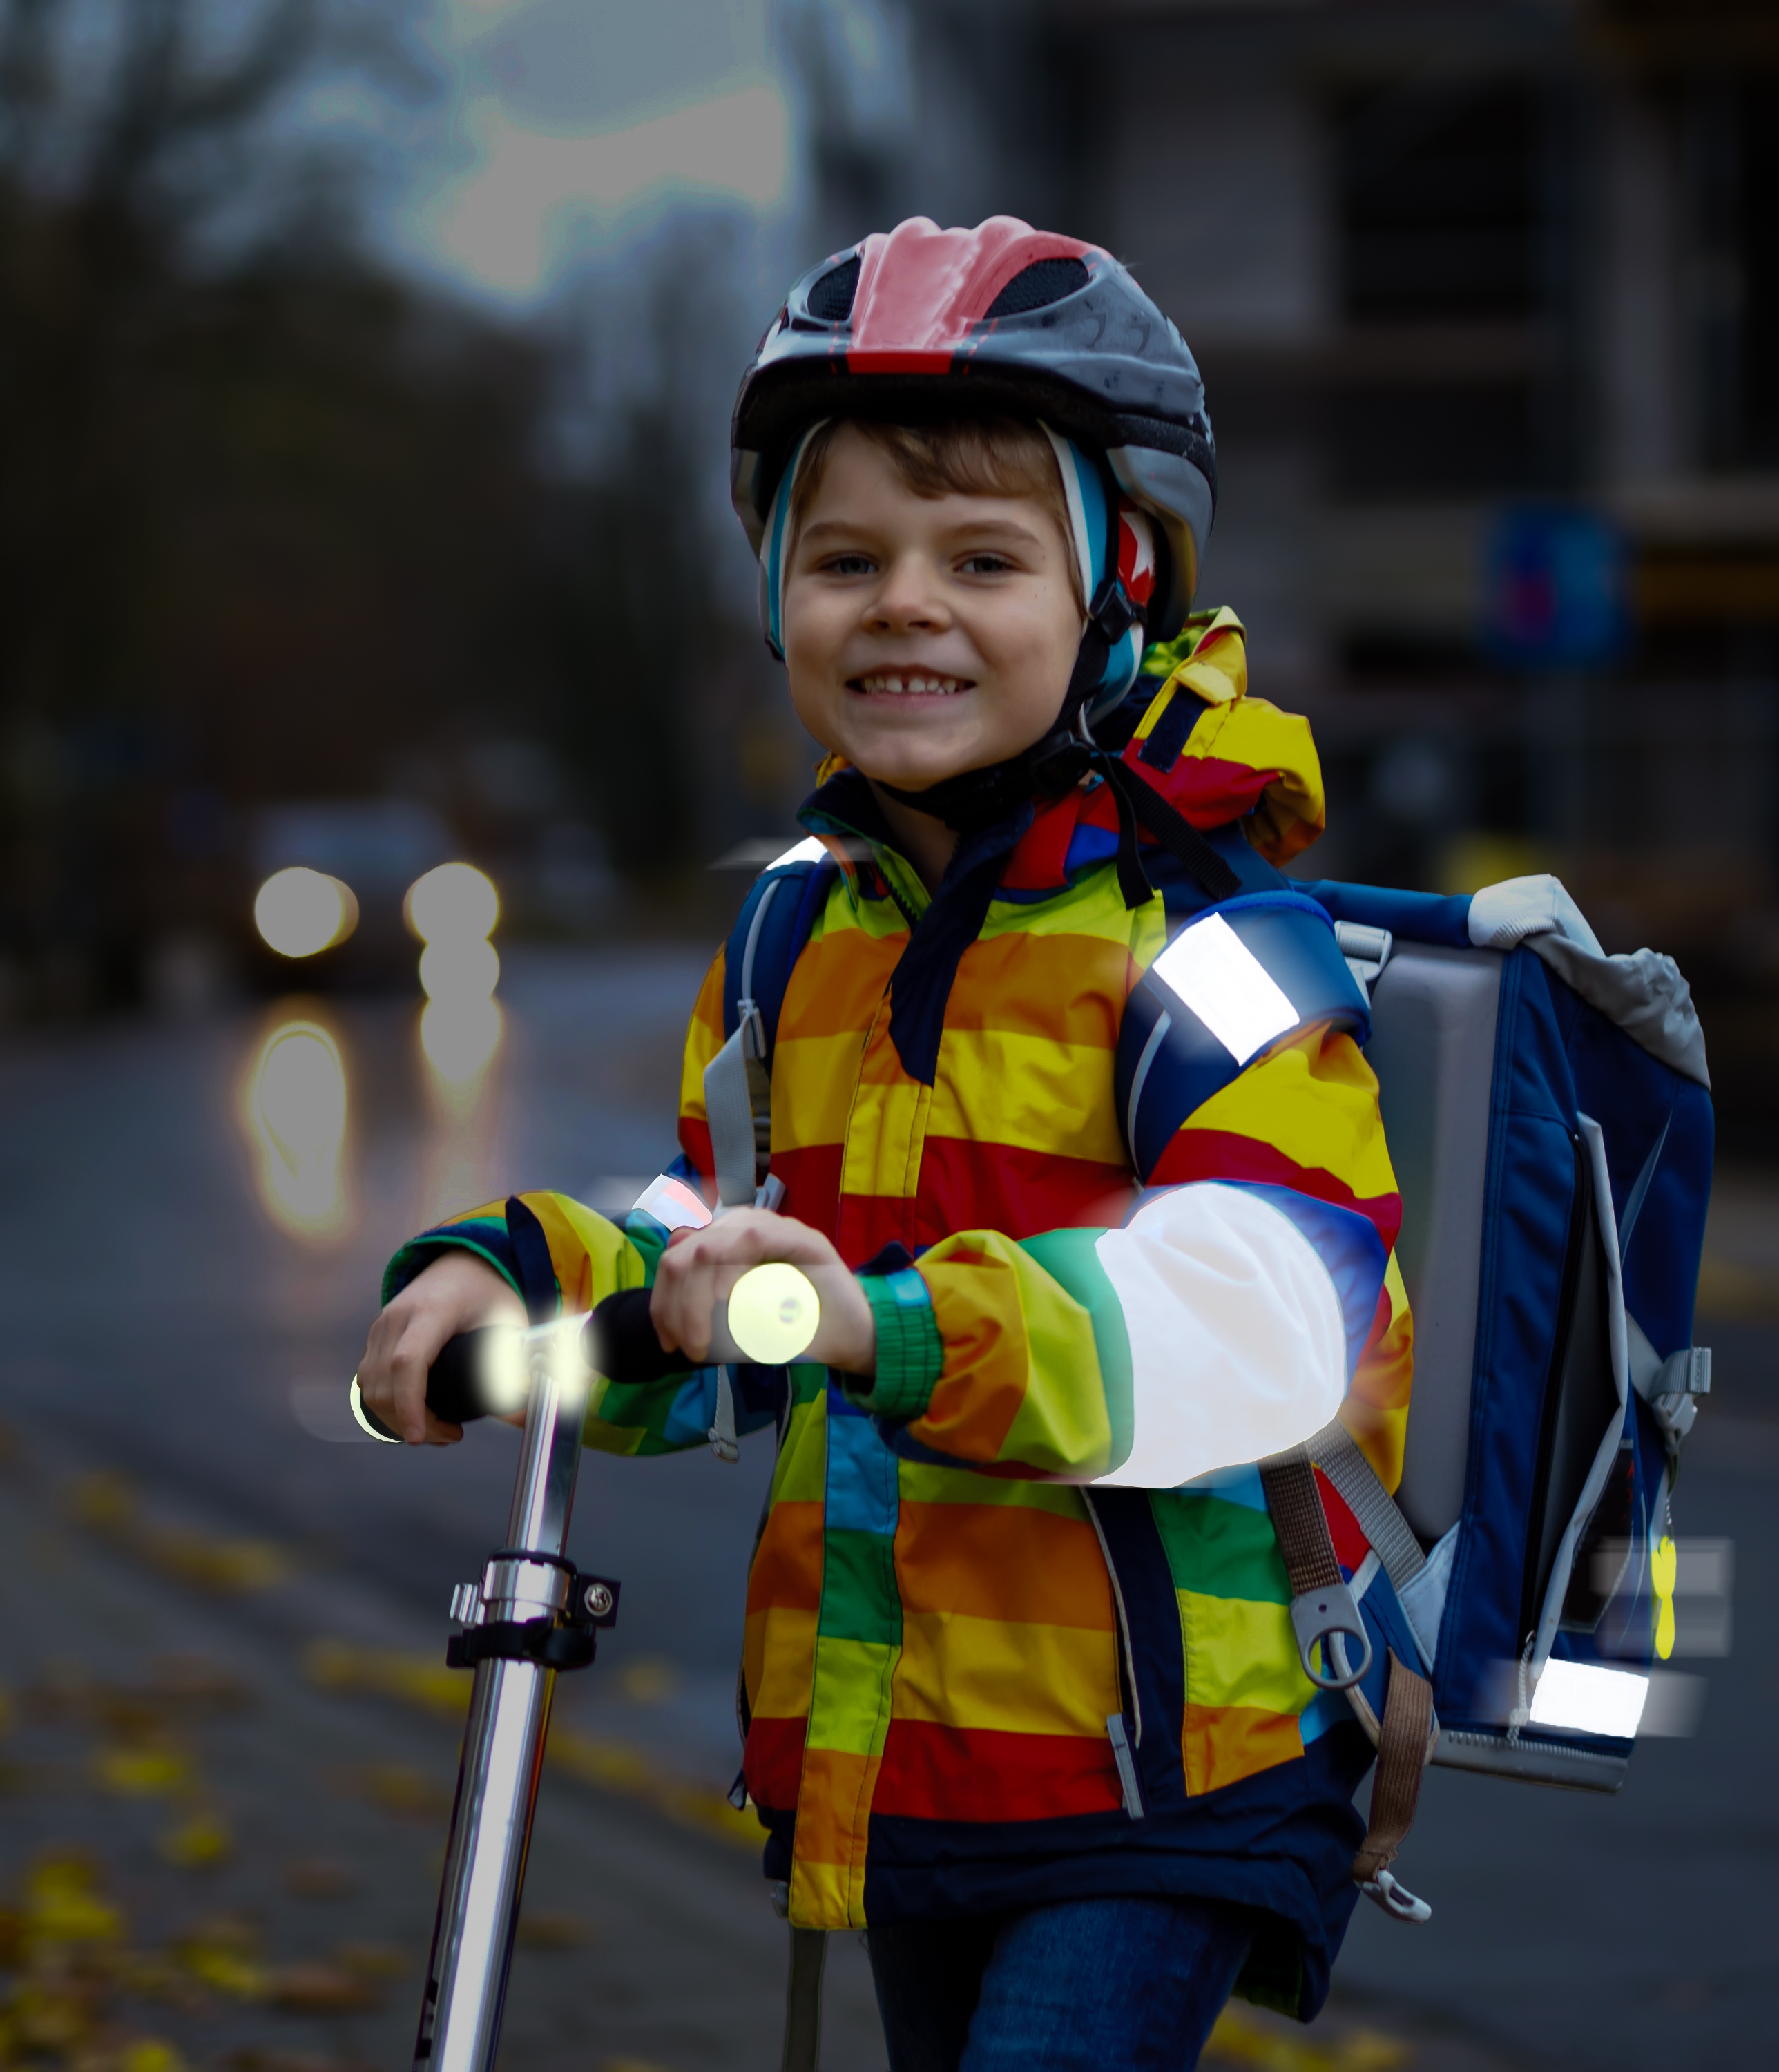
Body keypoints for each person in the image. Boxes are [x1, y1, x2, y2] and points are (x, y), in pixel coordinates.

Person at [357, 215, 1414, 2072]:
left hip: (1175, 1760)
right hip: (905, 1754)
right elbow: (715, 1245)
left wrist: (886, 1325)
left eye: (983, 559)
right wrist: (517, 1271)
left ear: (1122, 586)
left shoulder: (1212, 952)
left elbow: (1273, 1320)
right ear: (779, 598)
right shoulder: (798, 934)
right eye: (843, 558)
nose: (902, 604)